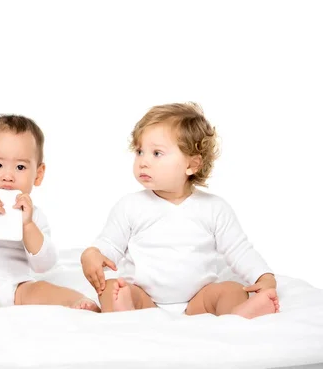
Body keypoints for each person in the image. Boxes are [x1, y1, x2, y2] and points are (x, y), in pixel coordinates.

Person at [81, 102, 279, 318]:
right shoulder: (130, 206)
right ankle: (124, 311)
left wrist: (264, 277)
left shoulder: (214, 208)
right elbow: (110, 245)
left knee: (232, 289)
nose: (143, 161)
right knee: (111, 288)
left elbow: (239, 250)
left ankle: (238, 314)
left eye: (156, 153)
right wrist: (94, 253)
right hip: (143, 298)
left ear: (192, 165)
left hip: (198, 300)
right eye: (139, 151)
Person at [0, 114, 99, 312]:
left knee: (41, 288)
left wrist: (28, 226)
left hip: (18, 286)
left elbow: (44, 264)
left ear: (38, 175)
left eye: (20, 167)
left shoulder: (32, 215)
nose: (8, 176)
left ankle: (76, 300)